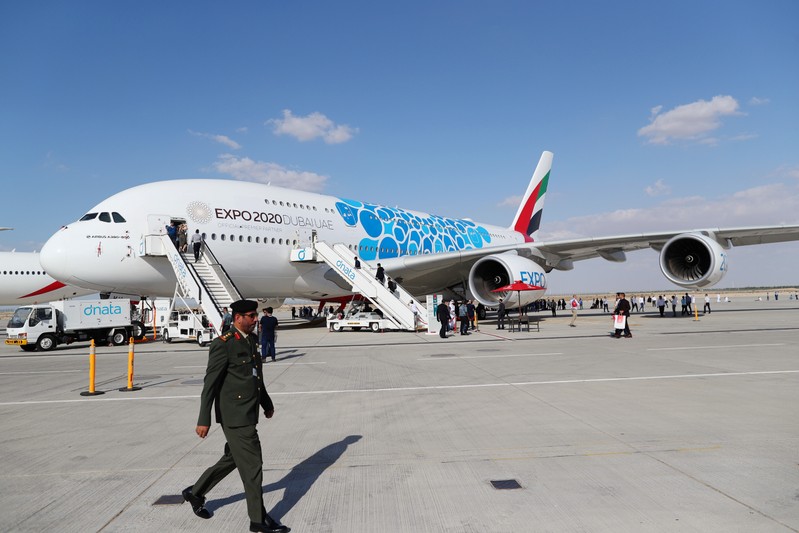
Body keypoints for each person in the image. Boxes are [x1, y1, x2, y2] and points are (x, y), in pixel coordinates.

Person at [182, 299, 290, 533]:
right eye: (251, 316)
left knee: (233, 459)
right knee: (253, 466)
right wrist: (204, 419)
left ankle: (195, 492)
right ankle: (258, 520)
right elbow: (210, 384)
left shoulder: (251, 341)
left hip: (248, 412)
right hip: (235, 416)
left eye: (255, 315)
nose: (255, 319)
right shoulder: (224, 344)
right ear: (238, 317)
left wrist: (266, 403)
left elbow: (255, 377)